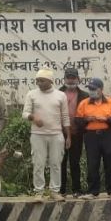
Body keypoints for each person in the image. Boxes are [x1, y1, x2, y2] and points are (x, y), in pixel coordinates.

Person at [22, 68, 71, 201]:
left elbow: (65, 117)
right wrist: (33, 118)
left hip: (56, 134)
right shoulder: (32, 94)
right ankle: (39, 192)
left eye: (42, 80)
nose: (39, 83)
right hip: (37, 134)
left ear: (50, 81)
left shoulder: (60, 95)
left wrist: (68, 136)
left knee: (56, 163)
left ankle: (55, 191)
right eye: (37, 80)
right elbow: (25, 113)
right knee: (38, 163)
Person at [75, 78, 111, 200]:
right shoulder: (84, 103)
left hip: (107, 134)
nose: (91, 91)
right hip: (91, 135)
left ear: (101, 90)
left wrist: (106, 119)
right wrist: (86, 120)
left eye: (94, 89)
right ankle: (93, 191)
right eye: (90, 89)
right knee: (92, 163)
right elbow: (78, 120)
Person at [58, 68, 89, 198]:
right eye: (68, 78)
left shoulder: (85, 95)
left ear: (78, 79)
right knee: (61, 162)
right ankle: (61, 190)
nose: (71, 80)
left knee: (75, 162)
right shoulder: (57, 93)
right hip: (59, 133)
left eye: (73, 78)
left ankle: (77, 189)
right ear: (64, 79)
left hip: (77, 133)